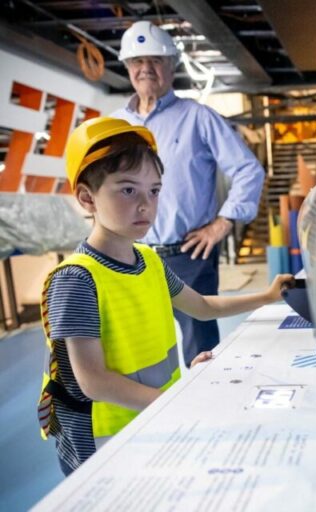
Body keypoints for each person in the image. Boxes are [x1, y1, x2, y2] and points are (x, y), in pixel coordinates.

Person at [37, 117, 292, 476]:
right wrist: (175, 402)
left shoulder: (149, 260)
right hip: (103, 443)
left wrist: (265, 296)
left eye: (154, 191)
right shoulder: (78, 279)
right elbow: (91, 380)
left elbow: (201, 307)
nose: (145, 204)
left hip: (151, 420)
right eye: (127, 190)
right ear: (86, 197)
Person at [111, 20, 265, 367]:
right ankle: (154, 418)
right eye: (137, 62)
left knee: (200, 353)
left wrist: (223, 223)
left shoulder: (198, 118)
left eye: (155, 60)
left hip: (189, 257)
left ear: (171, 66)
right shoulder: (115, 125)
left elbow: (248, 170)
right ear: (127, 68)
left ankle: (206, 416)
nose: (146, 69)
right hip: (129, 257)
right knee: (139, 352)